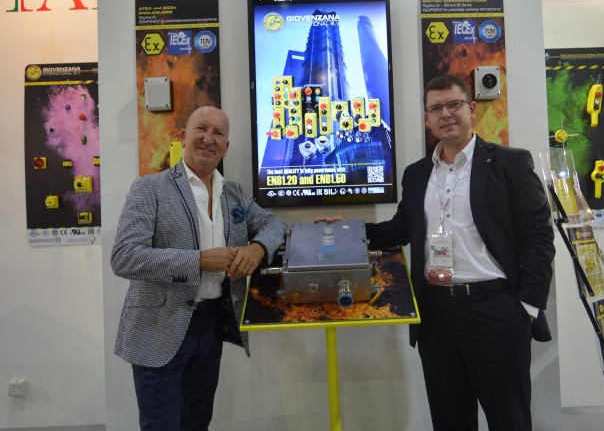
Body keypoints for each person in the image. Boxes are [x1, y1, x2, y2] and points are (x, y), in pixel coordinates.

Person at [320, 75, 554, 431]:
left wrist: (526, 307)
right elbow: (400, 229)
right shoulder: (417, 175)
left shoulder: (509, 164)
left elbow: (539, 236)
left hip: (496, 310)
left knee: (509, 421)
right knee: (449, 421)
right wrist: (351, 232)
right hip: (436, 314)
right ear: (427, 118)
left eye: (454, 105)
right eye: (436, 108)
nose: (446, 114)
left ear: (471, 109)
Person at [111, 106, 287, 431]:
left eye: (218, 133)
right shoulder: (149, 188)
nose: (208, 139)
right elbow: (125, 256)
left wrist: (257, 248)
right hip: (158, 328)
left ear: (226, 147)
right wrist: (199, 261)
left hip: (210, 326)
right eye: (201, 129)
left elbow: (275, 224)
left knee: (197, 423)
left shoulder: (233, 194)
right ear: (183, 137)